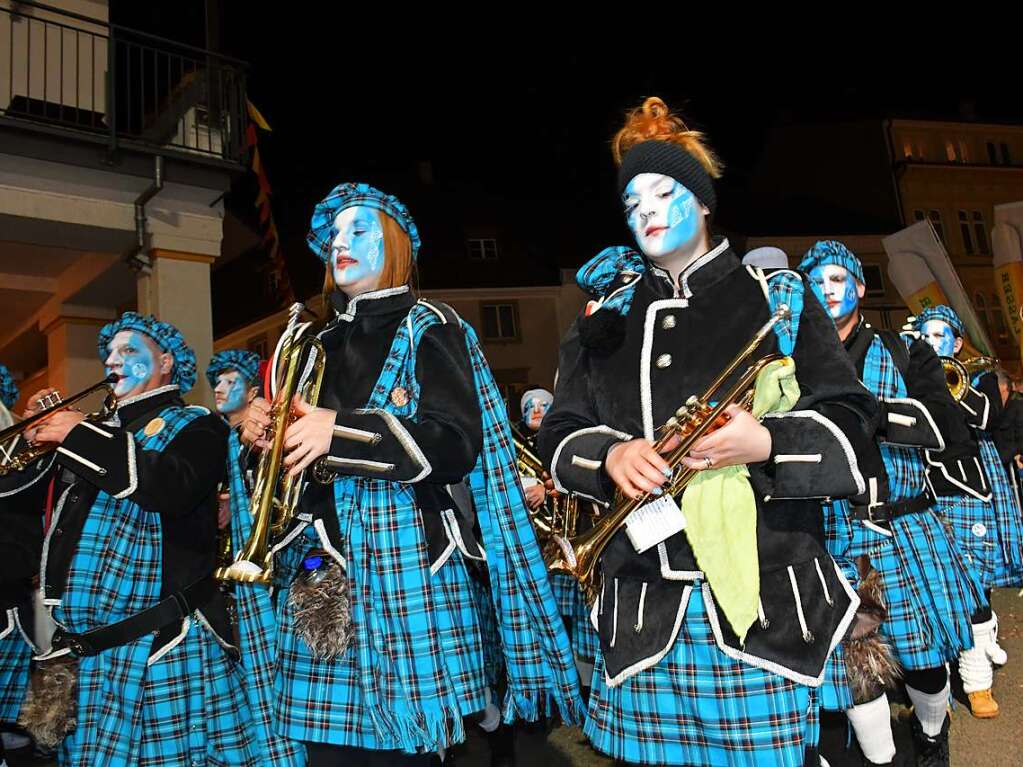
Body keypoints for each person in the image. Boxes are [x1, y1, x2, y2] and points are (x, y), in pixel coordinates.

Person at [537, 97, 873, 767]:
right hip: (643, 604)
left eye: (663, 192)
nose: (646, 212)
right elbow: (561, 431)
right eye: (631, 203)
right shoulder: (603, 321)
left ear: (701, 198)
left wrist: (767, 442)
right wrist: (610, 455)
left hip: (767, 603)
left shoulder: (775, 294)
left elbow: (853, 421)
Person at [241, 182, 581, 766]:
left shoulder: (431, 326)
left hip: (408, 572)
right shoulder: (315, 342)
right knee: (326, 754)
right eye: (333, 236)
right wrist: (263, 437)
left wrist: (337, 432)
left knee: (404, 753)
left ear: (395, 244)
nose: (339, 244)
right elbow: (288, 467)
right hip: (318, 574)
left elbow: (455, 443)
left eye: (359, 230)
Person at [8, 313, 258, 765]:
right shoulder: (100, 435)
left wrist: (78, 434)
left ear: (165, 361)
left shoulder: (199, 425)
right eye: (109, 352)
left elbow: (170, 487)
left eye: (128, 351)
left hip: (162, 645)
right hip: (91, 652)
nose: (111, 359)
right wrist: (37, 445)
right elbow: (27, 518)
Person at [799, 245, 986, 766]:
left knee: (926, 662)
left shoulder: (906, 352)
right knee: (857, 668)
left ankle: (930, 736)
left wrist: (872, 416)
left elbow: (954, 437)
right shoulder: (790, 359)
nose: (828, 287)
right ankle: (881, 760)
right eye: (816, 280)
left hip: (904, 526)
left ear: (861, 288)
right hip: (832, 531)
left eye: (840, 277)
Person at [913, 305, 1023, 719]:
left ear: (956, 342)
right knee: (932, 592)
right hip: (922, 495)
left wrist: (941, 385)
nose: (930, 342)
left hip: (967, 496)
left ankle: (977, 684)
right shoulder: (909, 378)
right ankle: (936, 681)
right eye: (924, 335)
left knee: (974, 591)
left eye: (939, 335)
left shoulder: (980, 382)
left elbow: (982, 419)